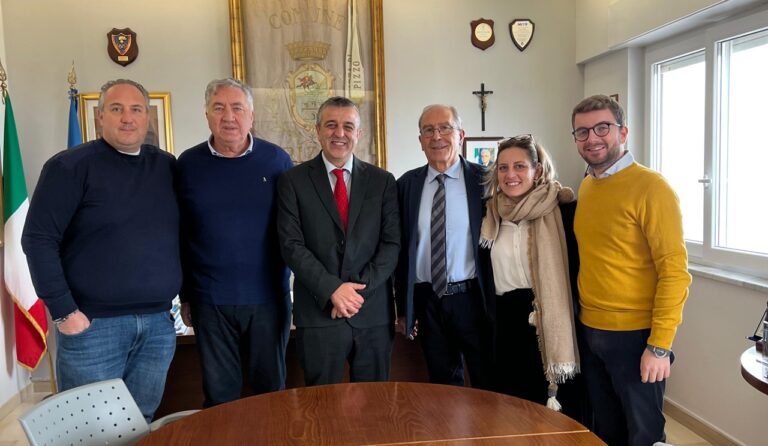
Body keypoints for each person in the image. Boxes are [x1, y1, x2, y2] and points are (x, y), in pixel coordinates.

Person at [22, 79, 181, 422]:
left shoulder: (166, 167)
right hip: (92, 326)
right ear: (99, 117)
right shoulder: (69, 167)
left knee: (142, 423)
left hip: (156, 326)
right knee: (89, 428)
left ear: (147, 118)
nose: (127, 118)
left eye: (136, 109)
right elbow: (37, 240)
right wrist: (65, 313)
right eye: (116, 109)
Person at [571, 94, 691, 445]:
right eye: (582, 131)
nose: (592, 138)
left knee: (644, 435)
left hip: (636, 337)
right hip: (591, 331)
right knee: (607, 431)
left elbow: (675, 272)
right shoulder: (589, 185)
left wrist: (659, 346)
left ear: (623, 132)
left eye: (602, 127)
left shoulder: (653, 188)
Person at [176, 78, 293, 407]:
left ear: (251, 116)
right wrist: (186, 296)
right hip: (210, 301)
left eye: (237, 108)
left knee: (270, 392)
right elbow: (181, 233)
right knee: (220, 394)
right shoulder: (187, 165)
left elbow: (293, 230)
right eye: (219, 108)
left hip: (268, 298)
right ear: (207, 115)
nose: (229, 116)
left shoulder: (277, 161)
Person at [276, 96, 399, 385]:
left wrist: (353, 295)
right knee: (321, 409)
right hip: (319, 314)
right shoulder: (292, 181)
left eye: (347, 126)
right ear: (317, 130)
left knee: (374, 408)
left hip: (372, 315)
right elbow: (291, 245)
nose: (339, 133)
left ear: (359, 133)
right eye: (331, 125)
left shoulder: (383, 181)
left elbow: (391, 245)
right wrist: (332, 289)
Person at [476, 135, 590, 423]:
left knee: (556, 412)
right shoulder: (489, 214)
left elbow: (578, 269)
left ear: (537, 170)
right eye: (503, 168)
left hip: (550, 319)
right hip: (504, 323)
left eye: (519, 166)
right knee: (512, 411)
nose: (510, 175)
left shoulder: (563, 211)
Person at [395, 104, 492, 389]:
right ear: (420, 140)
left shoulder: (485, 181)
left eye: (445, 128)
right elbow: (400, 251)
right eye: (428, 130)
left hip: (473, 298)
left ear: (460, 134)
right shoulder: (406, 186)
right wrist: (404, 307)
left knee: (487, 381)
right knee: (443, 386)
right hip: (428, 301)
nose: (437, 136)